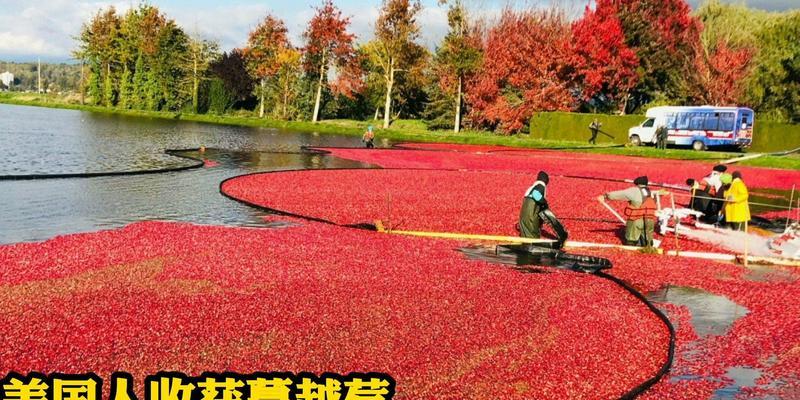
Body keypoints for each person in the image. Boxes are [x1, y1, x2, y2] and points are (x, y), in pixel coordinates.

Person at [601, 176, 658, 247]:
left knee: (631, 241)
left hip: (636, 220)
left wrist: (605, 196)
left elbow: (620, 194)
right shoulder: (650, 192)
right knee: (647, 243)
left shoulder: (634, 191)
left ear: (637, 184)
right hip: (650, 221)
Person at [518, 171, 550, 239]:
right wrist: (544, 203)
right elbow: (535, 194)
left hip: (523, 216)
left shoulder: (532, 187)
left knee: (525, 236)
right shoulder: (541, 186)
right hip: (530, 216)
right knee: (532, 236)